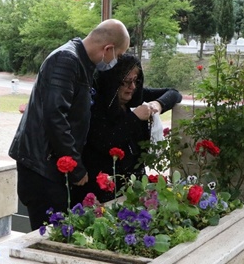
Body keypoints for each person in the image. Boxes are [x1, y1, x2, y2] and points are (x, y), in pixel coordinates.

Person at [8, 19, 131, 230]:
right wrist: (76, 167)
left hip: (49, 167)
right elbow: (55, 117)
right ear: (107, 49)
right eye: (117, 56)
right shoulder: (67, 60)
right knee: (48, 236)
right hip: (42, 168)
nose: (115, 62)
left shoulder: (80, 63)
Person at [71, 54, 182, 204]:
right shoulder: (95, 105)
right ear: (113, 82)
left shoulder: (135, 96)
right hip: (101, 188)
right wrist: (134, 118)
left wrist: (158, 104)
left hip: (131, 185)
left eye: (136, 81)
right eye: (127, 81)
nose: (133, 87)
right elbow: (106, 141)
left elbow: (174, 93)